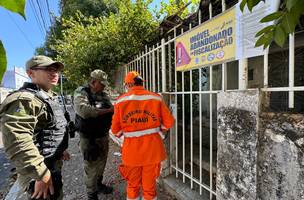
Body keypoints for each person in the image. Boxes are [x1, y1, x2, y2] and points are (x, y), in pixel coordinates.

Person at [0, 55, 71, 200]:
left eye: (56, 70)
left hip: (50, 163)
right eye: (48, 69)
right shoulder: (24, 99)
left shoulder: (48, 96)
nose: (54, 73)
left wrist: (60, 149)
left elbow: (51, 127)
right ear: (31, 73)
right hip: (38, 170)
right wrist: (41, 174)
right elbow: (17, 141)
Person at [111, 71, 175, 200]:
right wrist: (160, 133)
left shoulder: (121, 101)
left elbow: (115, 130)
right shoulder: (156, 98)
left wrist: (126, 136)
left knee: (133, 185)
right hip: (153, 150)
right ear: (142, 82)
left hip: (131, 152)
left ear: (128, 84)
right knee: (149, 186)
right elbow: (169, 121)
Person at [73, 69, 114, 200]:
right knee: (91, 167)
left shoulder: (103, 94)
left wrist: (107, 110)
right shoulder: (81, 92)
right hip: (89, 138)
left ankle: (98, 184)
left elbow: (112, 108)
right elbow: (84, 111)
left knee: (102, 163)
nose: (104, 86)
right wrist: (107, 110)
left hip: (103, 135)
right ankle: (92, 194)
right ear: (93, 81)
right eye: (101, 83)